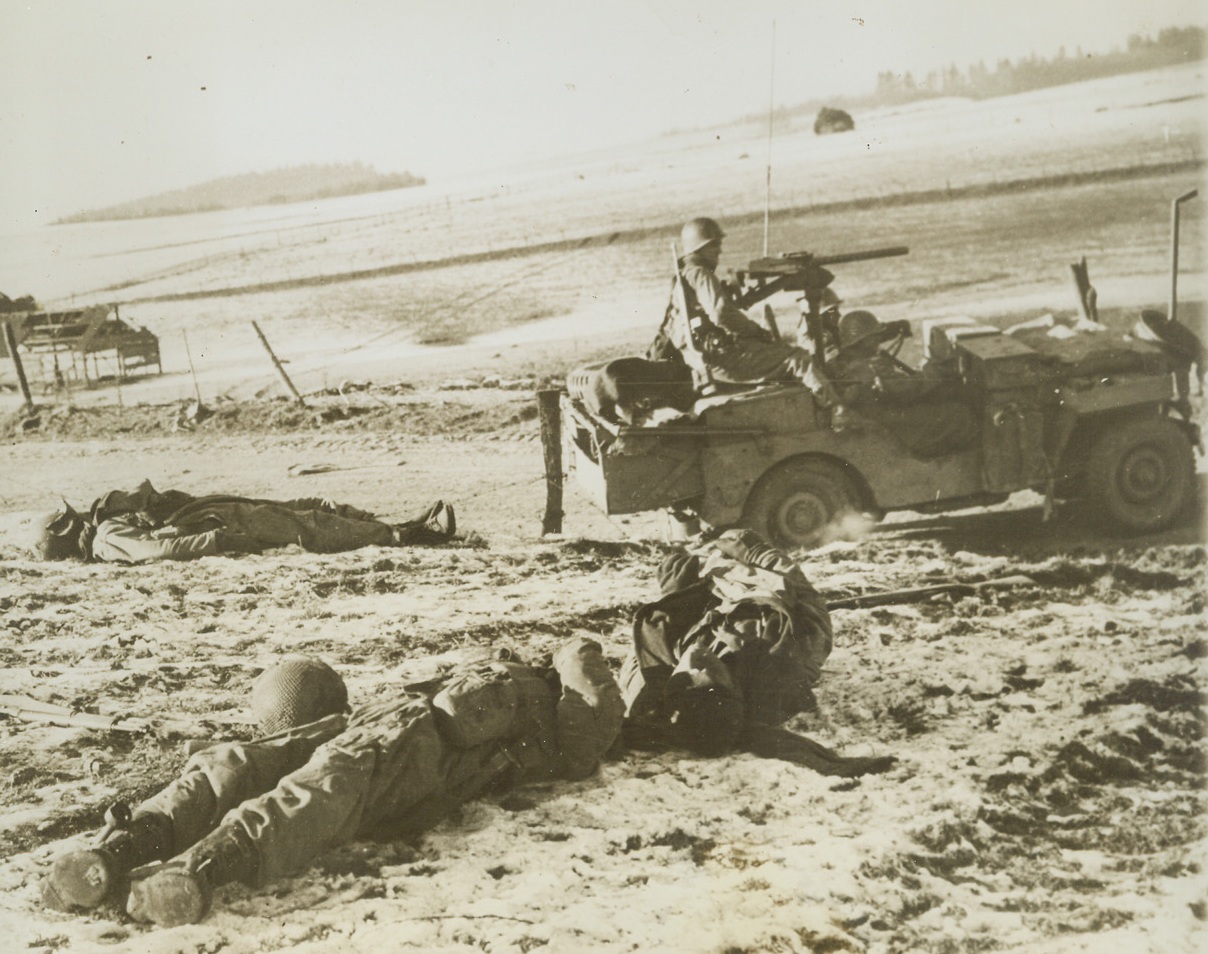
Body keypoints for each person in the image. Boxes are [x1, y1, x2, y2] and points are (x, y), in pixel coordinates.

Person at [41, 638, 623, 927]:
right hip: (405, 731)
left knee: (286, 775)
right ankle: (151, 856)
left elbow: (580, 719)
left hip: (414, 736)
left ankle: (156, 862)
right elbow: (579, 709)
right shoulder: (545, 687)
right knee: (274, 772)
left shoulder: (546, 683)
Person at [620, 528, 893, 776]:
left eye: (683, 677)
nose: (694, 659)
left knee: (675, 566)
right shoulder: (790, 657)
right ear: (731, 689)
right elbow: (807, 598)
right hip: (761, 589)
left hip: (710, 596)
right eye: (704, 674)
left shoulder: (651, 681)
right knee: (739, 536)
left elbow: (651, 638)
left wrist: (675, 591)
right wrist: (757, 553)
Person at [28, 479, 457, 563]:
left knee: (303, 509)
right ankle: (401, 534)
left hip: (211, 517)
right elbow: (158, 548)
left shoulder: (104, 530)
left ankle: (397, 528)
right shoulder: (106, 537)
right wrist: (218, 539)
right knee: (305, 526)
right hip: (218, 527)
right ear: (67, 532)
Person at [649, 217, 839, 405]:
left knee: (775, 351)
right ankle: (839, 411)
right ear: (699, 248)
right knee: (798, 358)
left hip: (703, 358)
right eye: (715, 245)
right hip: (721, 360)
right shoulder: (701, 274)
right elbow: (721, 313)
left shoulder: (684, 276)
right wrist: (755, 331)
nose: (719, 250)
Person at [827, 310, 978, 458]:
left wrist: (893, 329)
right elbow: (909, 388)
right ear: (861, 341)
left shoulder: (842, 361)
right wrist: (936, 368)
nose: (878, 340)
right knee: (959, 414)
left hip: (876, 412)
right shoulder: (869, 368)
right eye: (874, 337)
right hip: (889, 421)